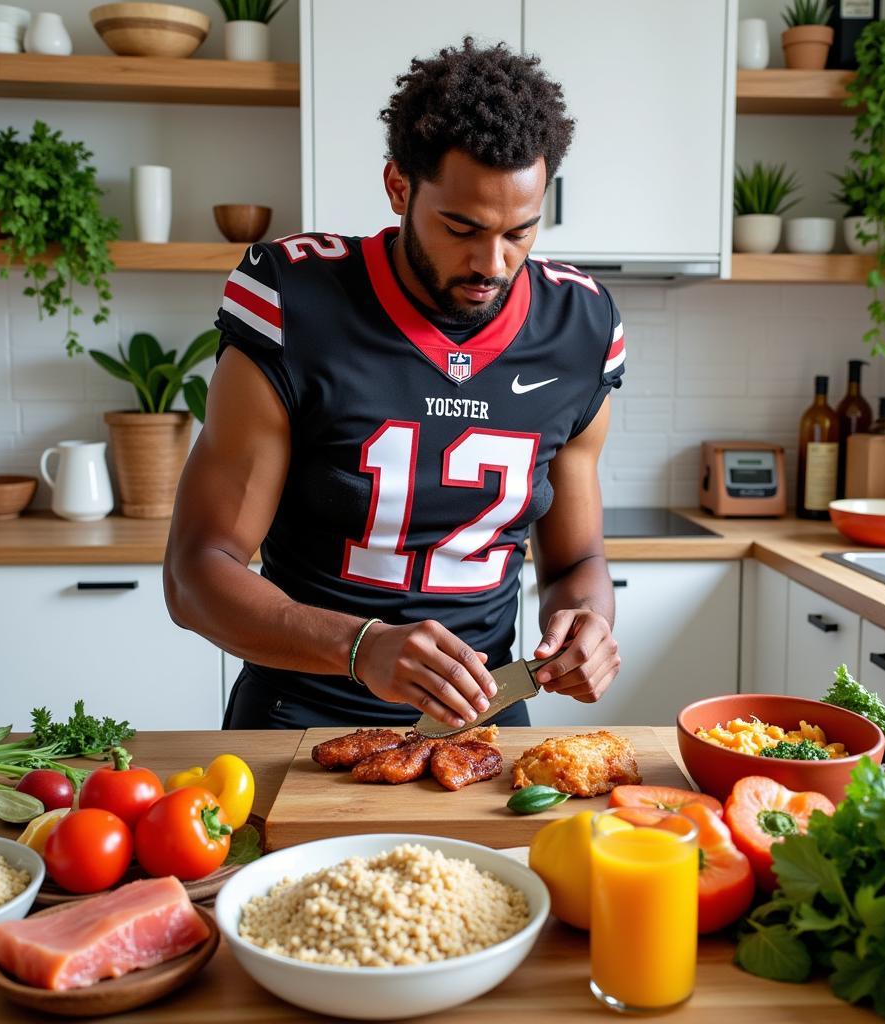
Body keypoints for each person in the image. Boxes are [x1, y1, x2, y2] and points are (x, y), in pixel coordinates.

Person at [163, 37, 625, 731]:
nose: (491, 263)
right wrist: (360, 647)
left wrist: (584, 622)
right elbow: (197, 573)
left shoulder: (579, 327)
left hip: (486, 721)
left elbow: (577, 559)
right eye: (461, 228)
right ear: (399, 187)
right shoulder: (297, 301)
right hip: (300, 716)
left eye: (519, 233)